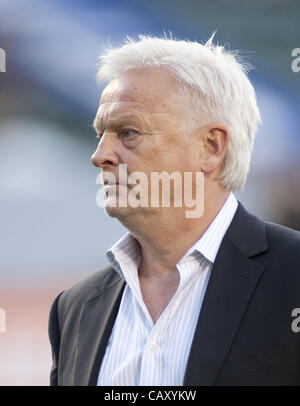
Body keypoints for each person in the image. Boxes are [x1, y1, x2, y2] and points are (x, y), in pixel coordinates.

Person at [48, 34, 300, 386]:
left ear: (211, 147)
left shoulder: (293, 276)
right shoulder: (73, 309)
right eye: (101, 134)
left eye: (128, 132)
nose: (100, 155)